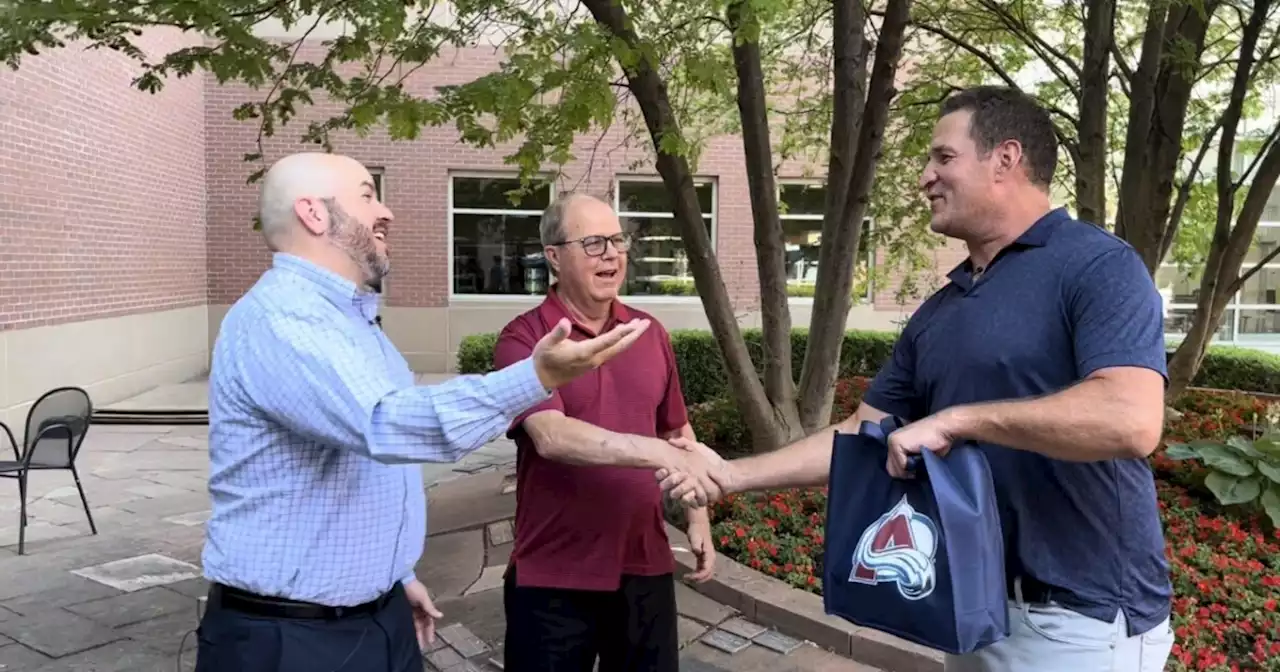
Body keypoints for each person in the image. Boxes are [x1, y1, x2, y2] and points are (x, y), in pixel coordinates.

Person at [658, 86, 1175, 672]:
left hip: (1078, 621)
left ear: (1005, 159)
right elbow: (861, 432)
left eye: (943, 158)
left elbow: (1130, 419)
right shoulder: (944, 308)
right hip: (972, 603)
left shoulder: (1097, 264)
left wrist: (958, 420)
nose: (926, 177)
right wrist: (728, 474)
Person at [196, 152, 652, 672]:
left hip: (370, 615)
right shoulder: (281, 319)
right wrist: (536, 377)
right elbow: (388, 424)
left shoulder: (348, 322)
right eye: (368, 195)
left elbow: (365, 469)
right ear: (313, 214)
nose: (385, 211)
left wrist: (392, 575)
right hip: (293, 639)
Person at [491, 193, 723, 672]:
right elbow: (552, 436)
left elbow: (677, 428)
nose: (613, 254)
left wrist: (698, 518)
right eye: (594, 243)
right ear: (554, 256)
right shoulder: (523, 341)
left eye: (618, 240)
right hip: (554, 572)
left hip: (644, 565)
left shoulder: (648, 331)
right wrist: (659, 452)